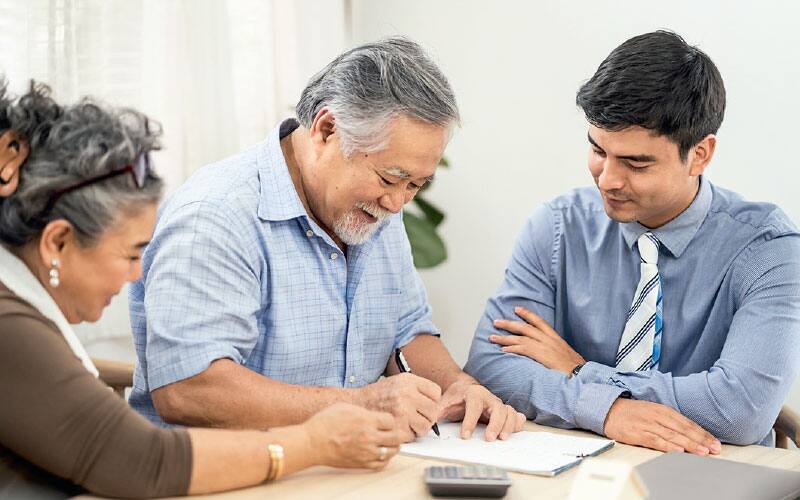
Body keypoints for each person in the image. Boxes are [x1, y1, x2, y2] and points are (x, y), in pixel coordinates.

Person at [0, 82, 401, 499]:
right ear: (58, 242)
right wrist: (313, 442)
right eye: (131, 253)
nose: (138, 275)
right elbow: (144, 462)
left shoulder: (22, 313)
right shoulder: (9, 328)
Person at [128, 36, 526, 442]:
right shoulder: (216, 214)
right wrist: (361, 405)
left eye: (416, 185)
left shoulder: (376, 210)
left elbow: (408, 331)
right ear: (326, 129)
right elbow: (188, 390)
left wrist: (457, 385)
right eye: (390, 178)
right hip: (225, 476)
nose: (396, 203)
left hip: (348, 467)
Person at [465, 30, 800, 453]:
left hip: (714, 475)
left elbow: (740, 410)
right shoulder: (556, 228)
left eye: (636, 163)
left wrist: (579, 370)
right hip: (577, 470)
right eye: (598, 151)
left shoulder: (768, 248)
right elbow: (492, 365)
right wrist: (609, 412)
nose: (607, 180)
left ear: (700, 154)